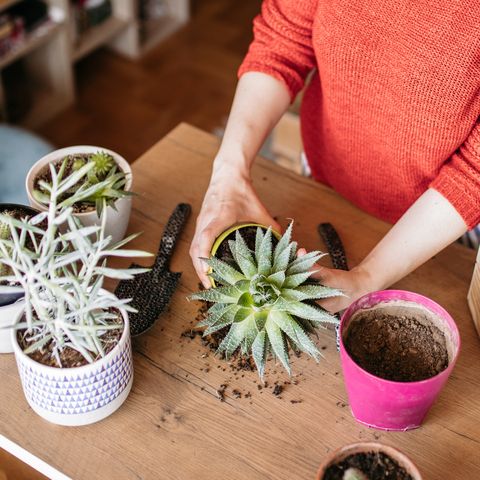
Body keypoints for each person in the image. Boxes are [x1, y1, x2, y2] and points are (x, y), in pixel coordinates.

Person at [190, 0, 480, 313]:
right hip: (323, 174)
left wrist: (369, 277)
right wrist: (228, 174)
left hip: (445, 227)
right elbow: (283, 41)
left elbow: (473, 174)